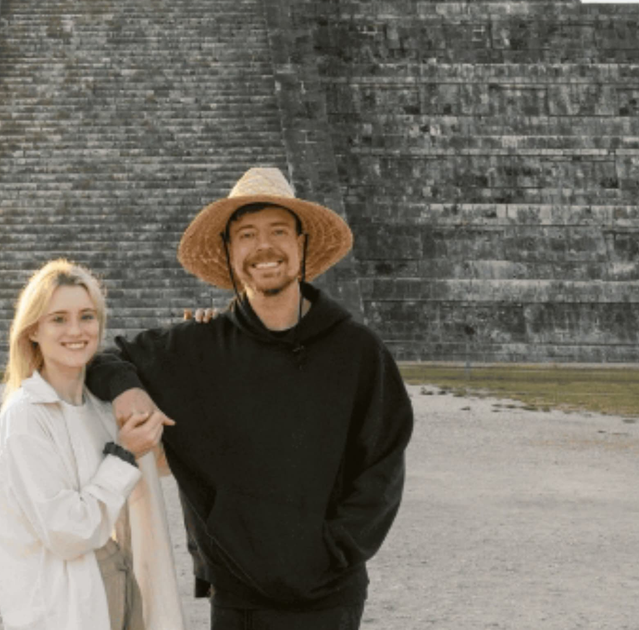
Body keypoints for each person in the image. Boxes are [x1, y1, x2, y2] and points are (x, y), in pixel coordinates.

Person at [85, 168, 415, 630]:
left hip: (329, 597)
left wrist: (334, 551)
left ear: (301, 244)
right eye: (246, 235)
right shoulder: (196, 348)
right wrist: (130, 388)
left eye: (279, 231)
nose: (264, 247)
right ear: (230, 252)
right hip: (239, 599)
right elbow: (99, 358)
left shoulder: (358, 352)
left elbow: (382, 466)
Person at [0, 259, 187, 630]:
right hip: (68, 605)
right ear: (33, 331)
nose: (75, 330)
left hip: (123, 583)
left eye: (87, 317)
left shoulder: (102, 408)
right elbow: (67, 532)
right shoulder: (25, 419)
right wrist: (124, 454)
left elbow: (164, 465)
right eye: (58, 319)